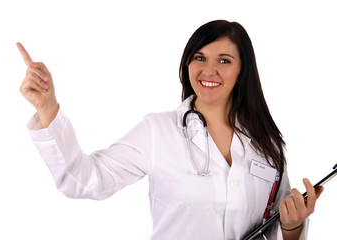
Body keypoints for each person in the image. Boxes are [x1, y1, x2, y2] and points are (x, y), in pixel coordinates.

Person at [18, 20, 323, 240]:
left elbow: (274, 228)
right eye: (199, 58)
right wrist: (47, 108)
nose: (209, 71)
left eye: (224, 60)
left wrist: (293, 226)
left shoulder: (266, 145)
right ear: (187, 64)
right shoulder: (158, 131)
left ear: (242, 70)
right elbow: (86, 180)